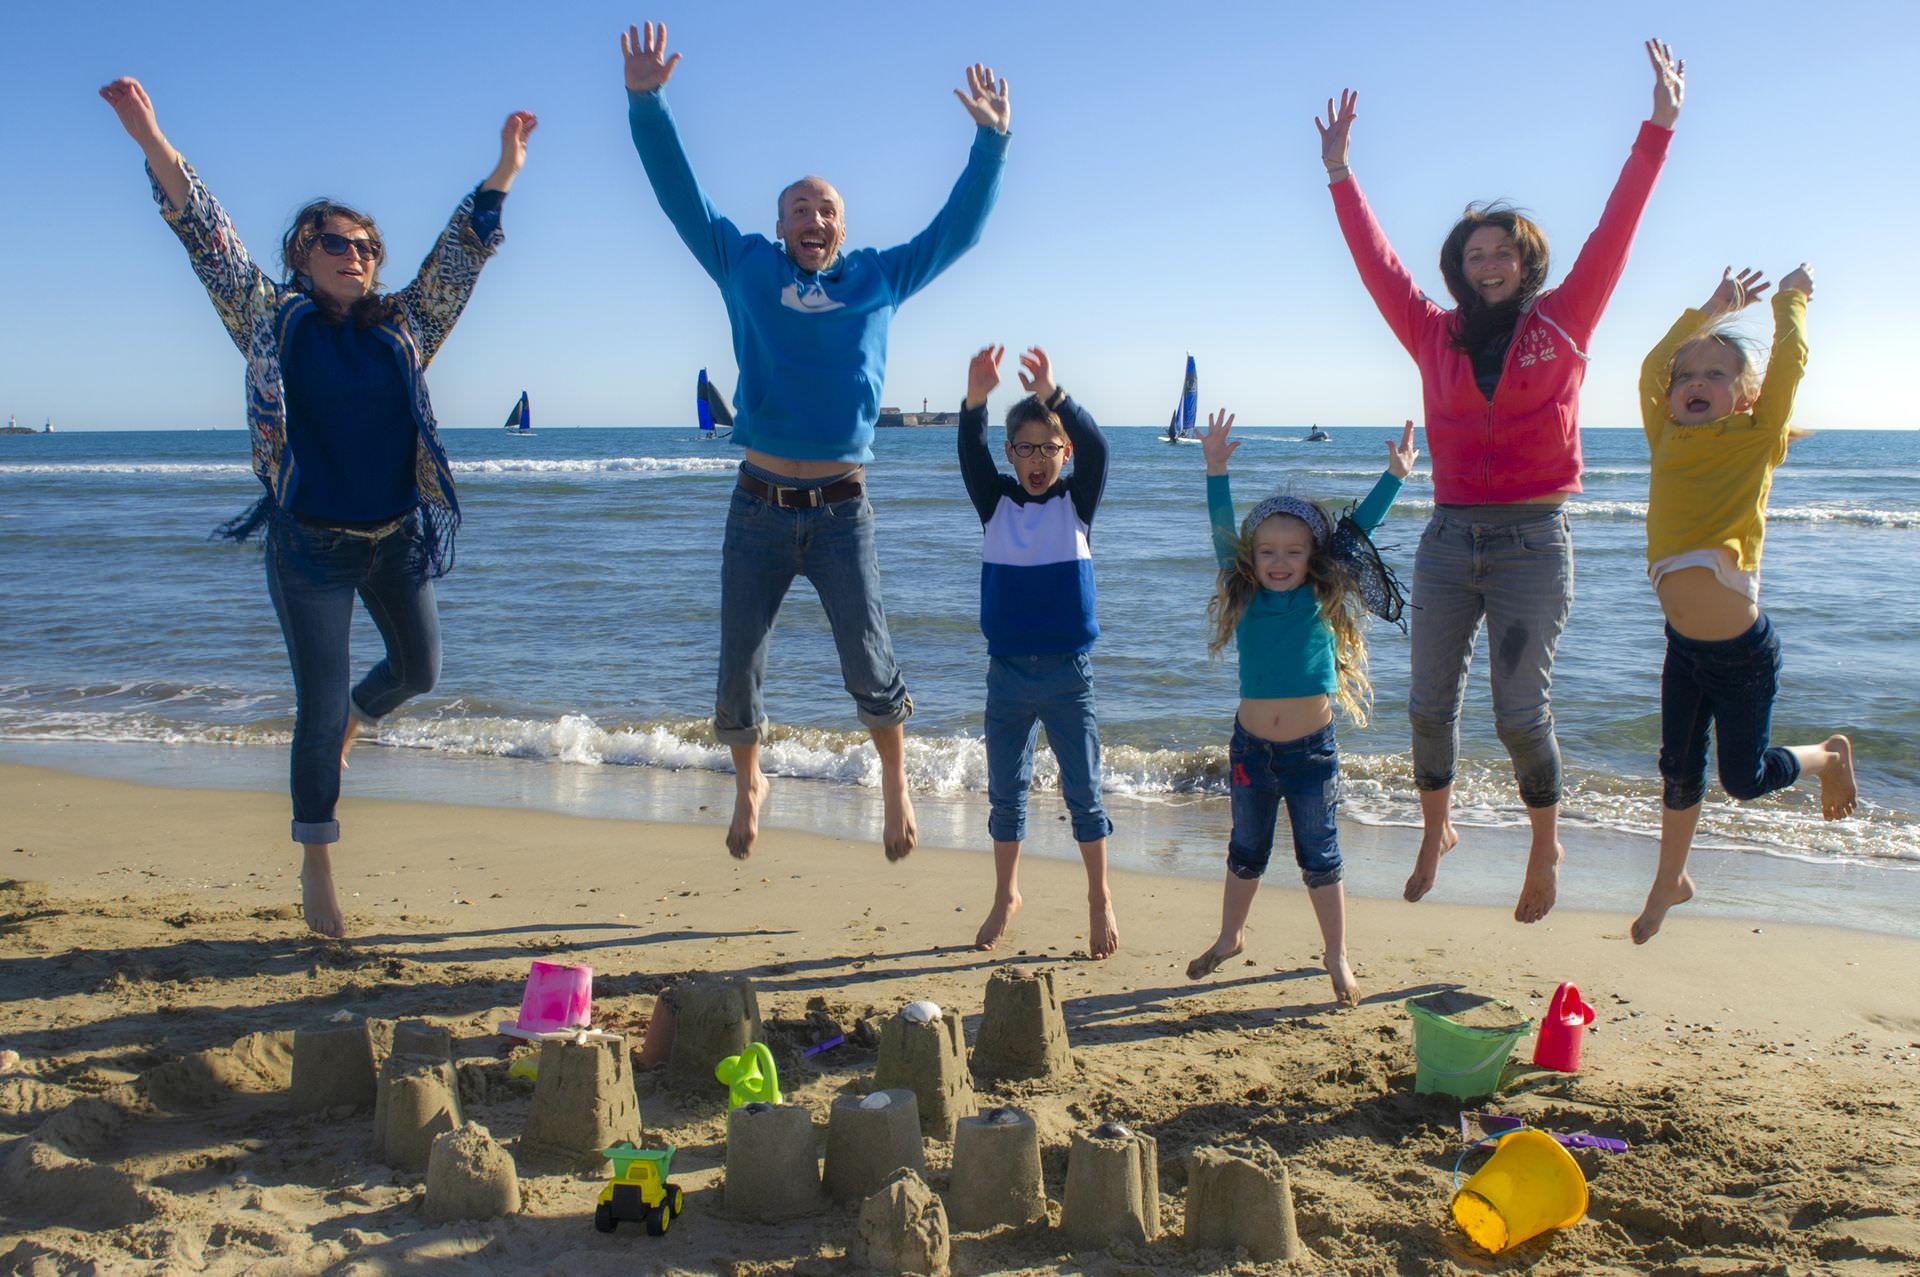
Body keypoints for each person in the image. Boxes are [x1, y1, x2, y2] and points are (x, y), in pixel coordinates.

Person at [100, 75, 535, 938]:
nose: (356, 254)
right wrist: (151, 138)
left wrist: (504, 169)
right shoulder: (270, 316)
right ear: (303, 254)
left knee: (419, 671)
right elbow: (206, 236)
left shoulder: (404, 325)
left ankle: (353, 727)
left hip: (398, 536)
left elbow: (460, 258)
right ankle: (318, 863)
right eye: (336, 242)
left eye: (368, 245)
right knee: (321, 705)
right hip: (310, 546)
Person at [620, 22, 1011, 863]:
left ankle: (895, 783)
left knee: (870, 663)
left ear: (843, 226)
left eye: (827, 208)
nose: (814, 216)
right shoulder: (745, 265)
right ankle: (748, 781)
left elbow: (958, 231)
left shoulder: (879, 277)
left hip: (842, 510)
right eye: (800, 206)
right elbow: (678, 195)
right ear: (780, 222)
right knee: (737, 667)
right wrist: (647, 103)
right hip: (756, 504)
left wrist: (992, 142)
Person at [1315, 40, 1685, 923]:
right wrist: (1340, 175)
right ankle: (1434, 830)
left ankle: (1544, 845)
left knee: (1522, 712)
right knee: (1427, 705)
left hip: (1531, 540)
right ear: (1461, 264)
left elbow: (1616, 229)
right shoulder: (1432, 331)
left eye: (1501, 253)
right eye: (1474, 253)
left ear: (1525, 262)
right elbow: (1379, 267)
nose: (1487, 264)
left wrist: (1658, 128)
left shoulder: (1565, 320)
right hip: (1449, 536)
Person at [1632, 265, 1857, 943]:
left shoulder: (1757, 440)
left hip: (1741, 655)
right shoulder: (1665, 436)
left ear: (1745, 395)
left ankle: (1828, 755)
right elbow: (1649, 368)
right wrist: (1706, 311)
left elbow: (1789, 367)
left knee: (1744, 779)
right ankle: (1670, 878)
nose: (1696, 383)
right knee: (1677, 767)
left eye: (1717, 375)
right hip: (1685, 648)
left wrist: (1791, 302)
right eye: (1688, 376)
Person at [1188, 411, 1418, 1007]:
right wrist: (1215, 469)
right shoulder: (1244, 591)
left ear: (1313, 556)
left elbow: (1358, 527)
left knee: (1319, 854)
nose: (1280, 561)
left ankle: (1336, 955)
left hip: (1311, 753)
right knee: (1246, 848)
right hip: (1249, 749)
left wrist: (1394, 476)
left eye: (1293, 551)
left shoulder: (1321, 591)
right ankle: (1230, 935)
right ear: (1253, 556)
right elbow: (1221, 528)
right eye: (1268, 551)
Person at [958, 345, 1117, 959]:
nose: (1037, 460)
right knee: (1007, 793)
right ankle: (1006, 895)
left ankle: (1099, 897)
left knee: (1085, 793)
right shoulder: (994, 503)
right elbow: (969, 452)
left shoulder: (1076, 503)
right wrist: (975, 400)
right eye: (1024, 448)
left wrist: (1056, 397)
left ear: (1063, 453)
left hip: (1067, 675)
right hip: (1006, 675)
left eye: (1048, 448)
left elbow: (1099, 448)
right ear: (1010, 454)